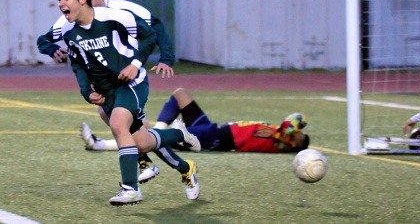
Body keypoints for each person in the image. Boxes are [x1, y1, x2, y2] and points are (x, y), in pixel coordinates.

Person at [49, 0, 201, 205]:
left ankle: (132, 184)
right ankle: (178, 150)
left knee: (120, 124)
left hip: (133, 82)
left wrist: (162, 59)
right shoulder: (75, 24)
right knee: (142, 140)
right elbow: (68, 52)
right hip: (110, 87)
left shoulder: (121, 12)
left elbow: (155, 29)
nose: (88, 6)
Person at [83, 87, 311, 153]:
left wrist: (301, 123)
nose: (298, 132)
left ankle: (100, 145)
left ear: (294, 142)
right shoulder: (282, 135)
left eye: (300, 136)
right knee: (180, 94)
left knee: (147, 139)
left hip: (218, 138)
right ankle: (160, 130)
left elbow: (293, 120)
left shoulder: (282, 140)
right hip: (215, 129)